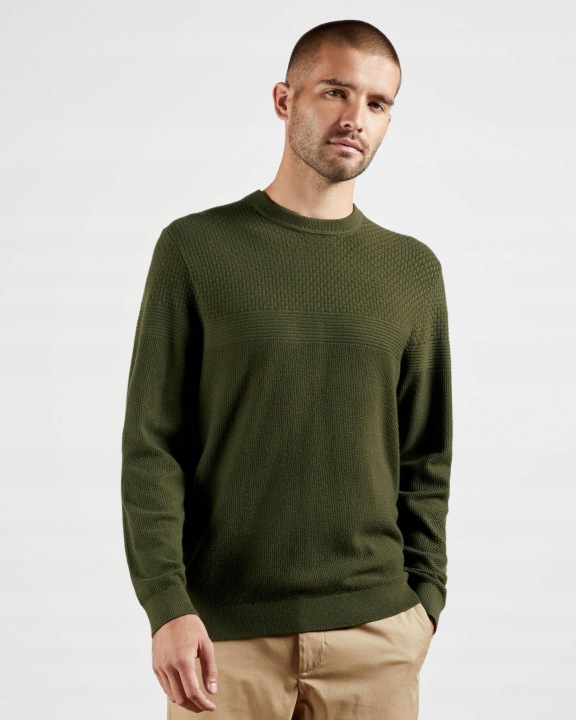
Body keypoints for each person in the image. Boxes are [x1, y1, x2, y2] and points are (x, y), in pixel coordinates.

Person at [121, 18, 452, 720]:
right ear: (284, 99)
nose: (355, 117)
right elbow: (152, 446)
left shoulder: (412, 270)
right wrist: (166, 604)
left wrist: (425, 604)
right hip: (222, 639)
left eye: (377, 103)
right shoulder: (195, 249)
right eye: (336, 91)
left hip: (377, 635)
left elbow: (426, 456)